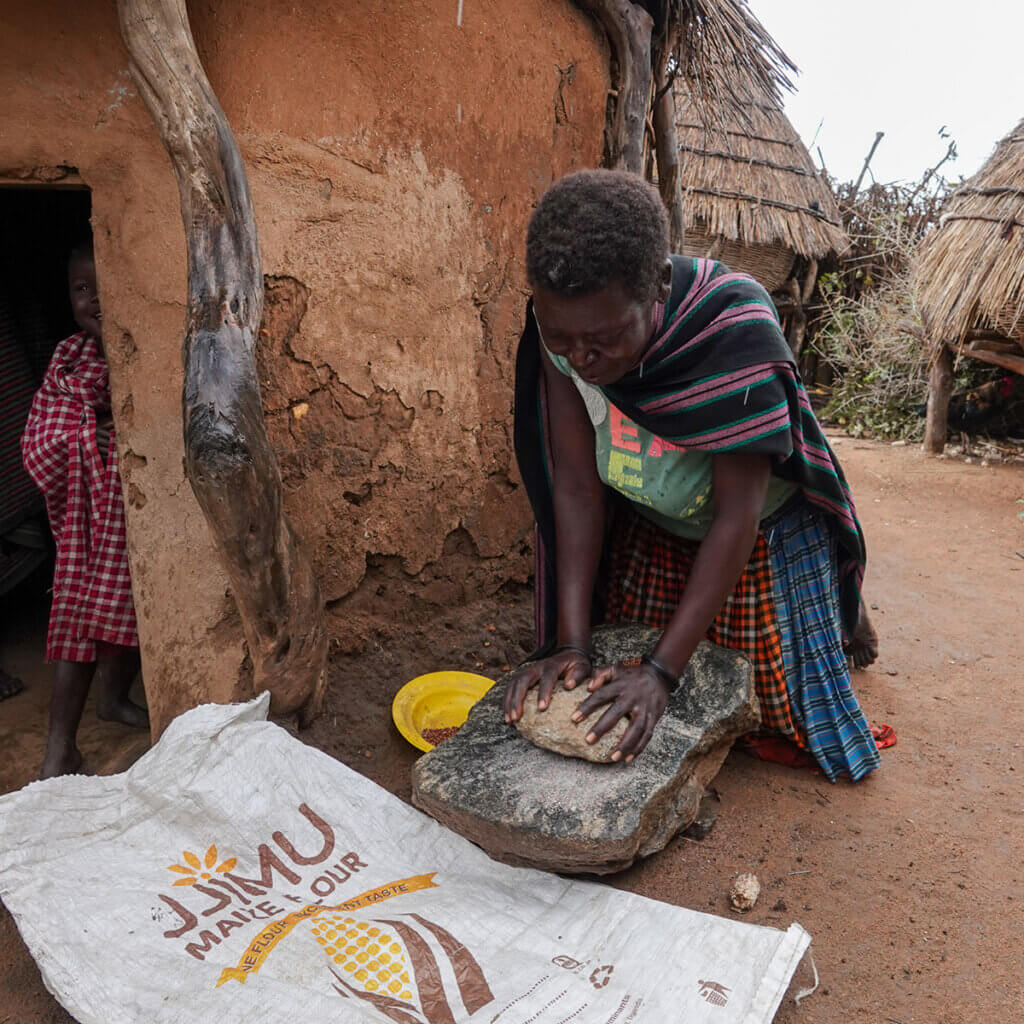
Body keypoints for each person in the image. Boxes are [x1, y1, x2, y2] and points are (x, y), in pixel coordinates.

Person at [504, 169, 881, 783]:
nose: (580, 359)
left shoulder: (733, 331)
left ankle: (836, 605)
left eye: (603, 339)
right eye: (561, 338)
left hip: (758, 531)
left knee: (772, 713)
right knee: (613, 660)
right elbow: (574, 485)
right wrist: (569, 644)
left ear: (655, 288)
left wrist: (659, 674)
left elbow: (738, 516)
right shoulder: (570, 334)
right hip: (657, 517)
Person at [21, 241, 146, 778]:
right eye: (80, 288)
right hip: (84, 523)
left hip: (137, 509)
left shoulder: (146, 353)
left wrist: (112, 436)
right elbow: (40, 442)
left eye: (104, 283)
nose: (94, 298)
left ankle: (114, 699)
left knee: (137, 607)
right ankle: (59, 749)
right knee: (78, 615)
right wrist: (93, 439)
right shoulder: (69, 359)